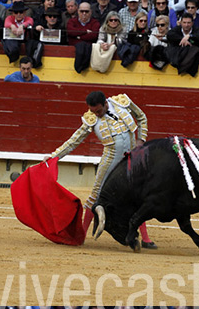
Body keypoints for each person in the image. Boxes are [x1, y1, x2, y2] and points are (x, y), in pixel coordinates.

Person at [50, 90, 154, 242]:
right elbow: (74, 141)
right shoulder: (91, 118)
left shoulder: (122, 102)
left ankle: (145, 239)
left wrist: (141, 140)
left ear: (105, 103)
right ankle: (82, 236)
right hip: (111, 159)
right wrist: (54, 157)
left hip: (132, 157)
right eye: (93, 111)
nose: (96, 115)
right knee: (96, 196)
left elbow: (142, 117)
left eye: (98, 111)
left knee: (137, 196)